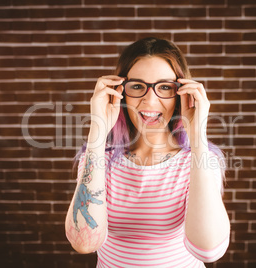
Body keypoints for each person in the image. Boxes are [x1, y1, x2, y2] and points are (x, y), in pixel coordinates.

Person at [65, 37, 230, 267]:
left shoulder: (200, 160)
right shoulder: (97, 159)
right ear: (120, 92)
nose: (150, 100)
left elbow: (209, 251)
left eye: (165, 87)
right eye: (137, 86)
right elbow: (84, 243)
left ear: (182, 94)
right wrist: (98, 132)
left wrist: (197, 138)